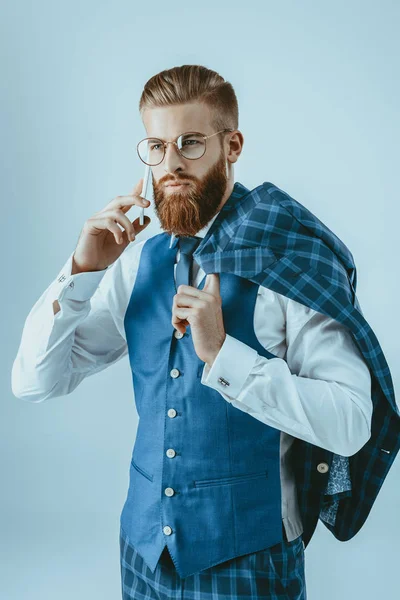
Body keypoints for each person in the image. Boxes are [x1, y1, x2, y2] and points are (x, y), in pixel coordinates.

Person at [12, 65, 374, 599]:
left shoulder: (288, 261)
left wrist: (225, 354)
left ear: (233, 145)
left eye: (190, 142)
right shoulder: (138, 263)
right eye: (156, 146)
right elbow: (35, 383)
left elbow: (350, 424)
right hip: (141, 556)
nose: (172, 164)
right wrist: (82, 272)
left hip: (247, 562)